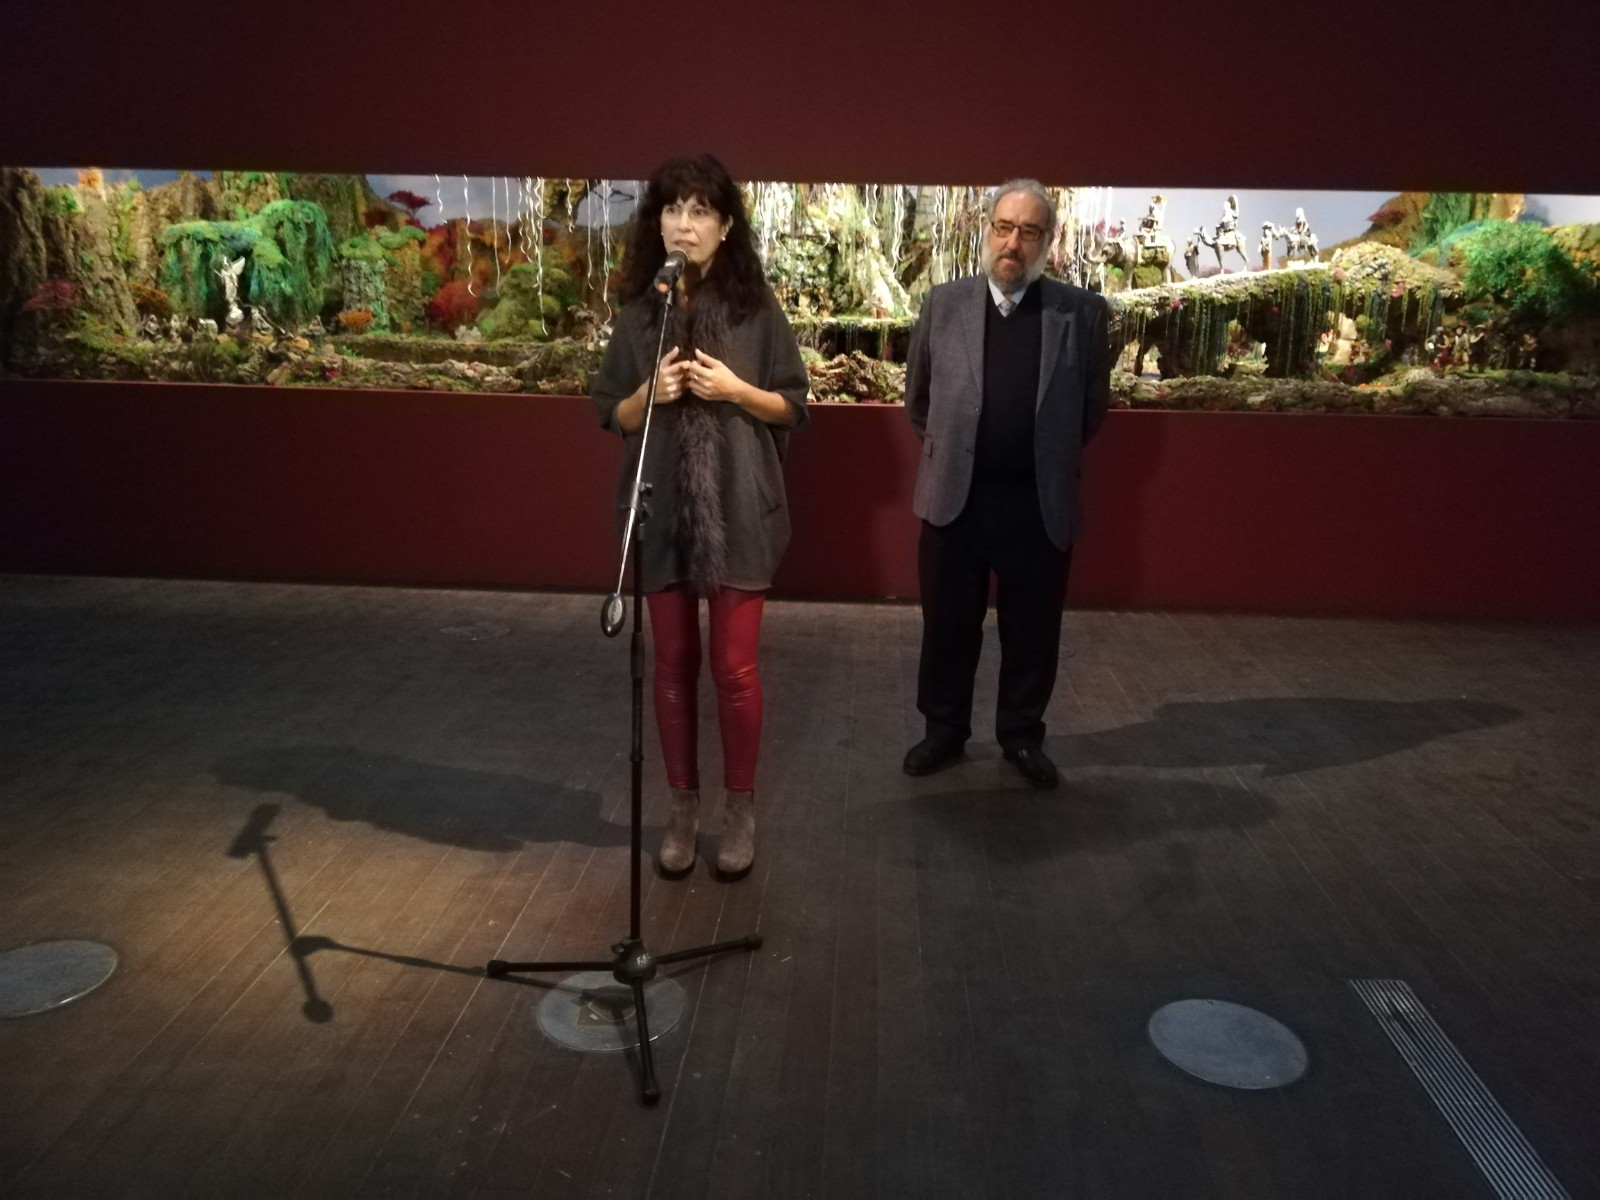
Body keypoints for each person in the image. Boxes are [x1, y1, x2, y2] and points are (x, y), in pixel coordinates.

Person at [592, 154, 809, 879]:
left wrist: (734, 389)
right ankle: (683, 809)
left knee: (734, 668)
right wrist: (647, 395)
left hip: (739, 505)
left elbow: (793, 405)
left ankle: (738, 810)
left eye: (699, 211)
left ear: (725, 225)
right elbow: (611, 412)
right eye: (671, 209)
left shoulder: (757, 309)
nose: (683, 225)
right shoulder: (639, 311)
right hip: (661, 506)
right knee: (672, 665)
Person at [902, 179, 1111, 789]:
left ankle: (1021, 735)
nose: (1012, 242)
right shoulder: (943, 304)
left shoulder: (1082, 314)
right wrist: (958, 453)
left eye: (1028, 231)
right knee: (947, 625)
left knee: (1033, 630)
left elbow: (1091, 409)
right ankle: (943, 731)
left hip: (1037, 503)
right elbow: (919, 400)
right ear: (987, 230)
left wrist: (1039, 454)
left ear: (1048, 240)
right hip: (956, 498)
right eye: (1003, 227)